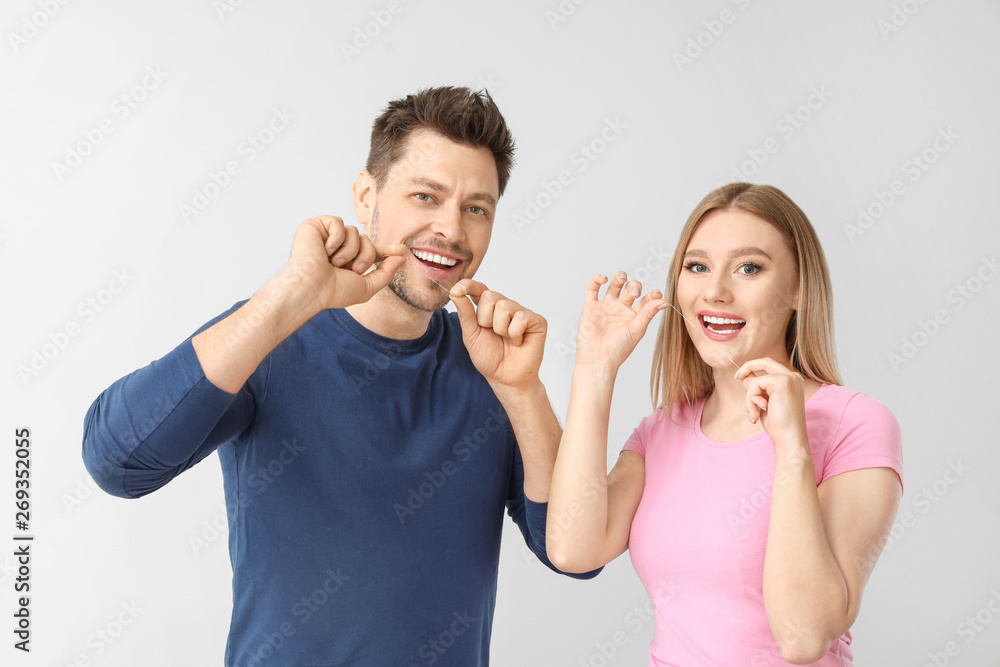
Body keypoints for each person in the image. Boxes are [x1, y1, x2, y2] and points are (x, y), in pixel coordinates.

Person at [82, 86, 597, 667]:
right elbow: (118, 463)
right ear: (366, 195)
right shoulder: (272, 334)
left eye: (476, 208)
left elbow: (573, 551)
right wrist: (289, 297)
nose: (451, 230)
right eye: (426, 196)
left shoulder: (493, 365)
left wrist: (523, 391)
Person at [546, 183, 903, 666]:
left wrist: (791, 448)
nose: (715, 291)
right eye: (697, 267)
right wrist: (593, 369)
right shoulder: (659, 433)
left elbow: (803, 637)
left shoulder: (855, 424)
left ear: (798, 289)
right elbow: (572, 549)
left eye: (748, 268)